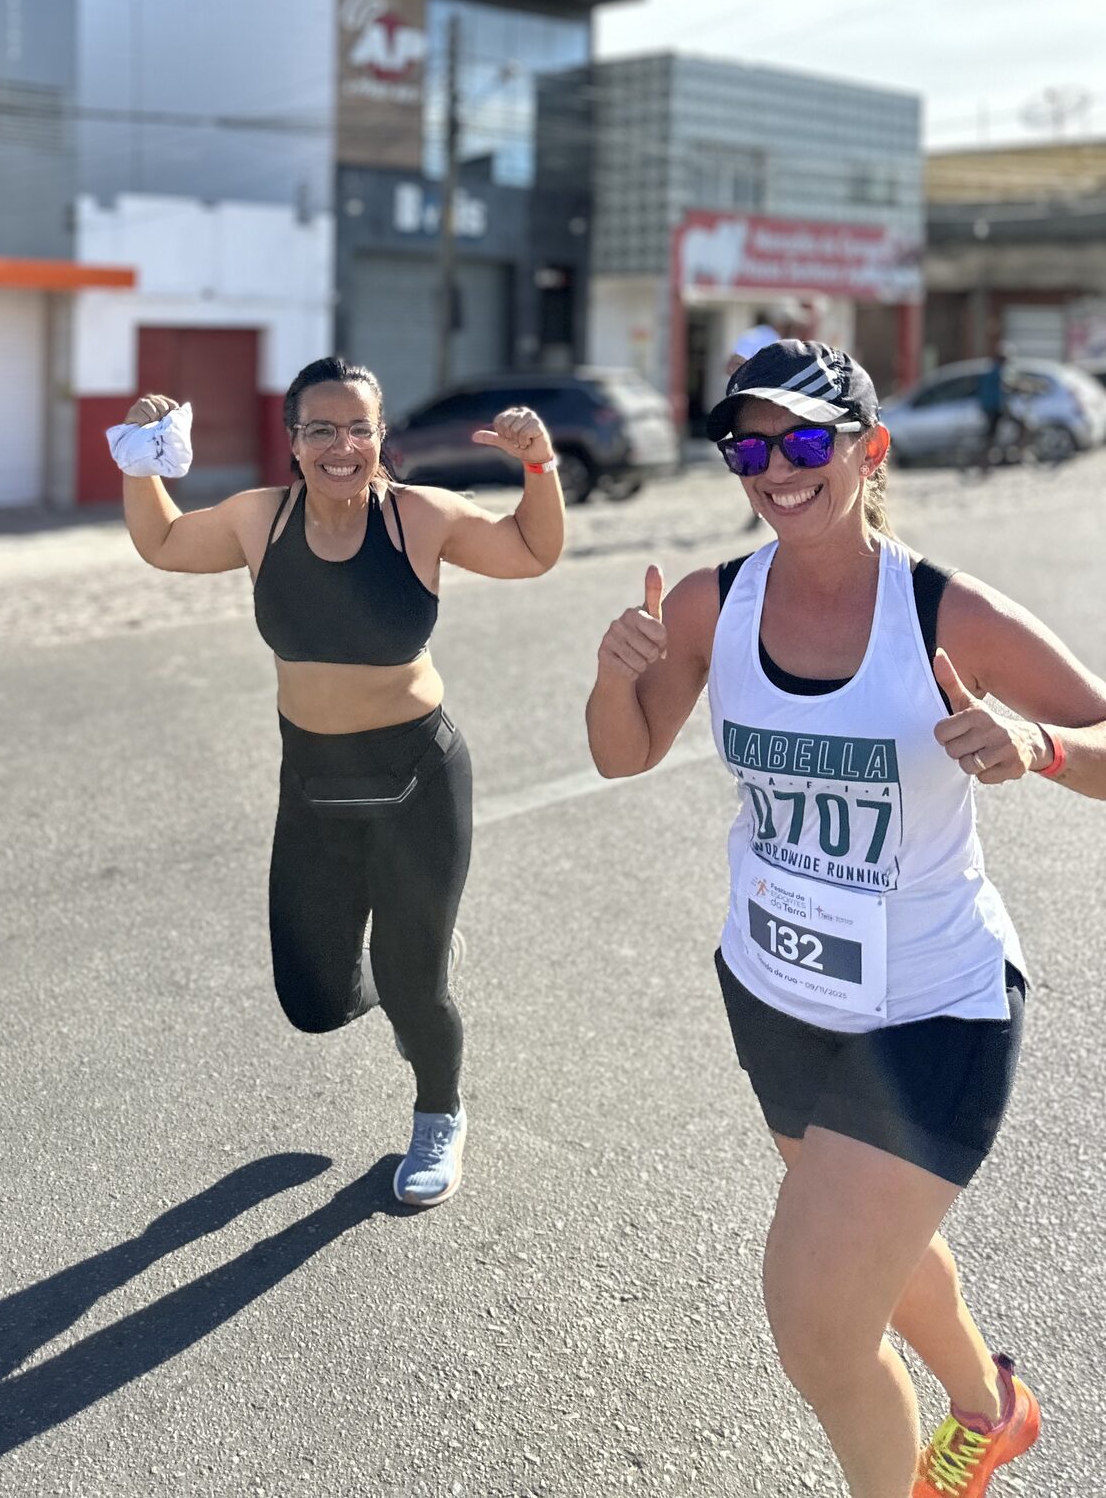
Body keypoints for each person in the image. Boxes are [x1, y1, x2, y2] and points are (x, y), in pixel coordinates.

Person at [586, 338, 1106, 1498]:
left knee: (817, 1322)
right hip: (777, 992)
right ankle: (993, 1406)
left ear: (869, 452)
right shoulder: (720, 601)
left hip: (932, 1007)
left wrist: (1043, 746)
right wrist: (615, 674)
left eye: (807, 439)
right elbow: (622, 755)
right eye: (748, 444)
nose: (775, 467)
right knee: (883, 1251)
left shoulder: (944, 609)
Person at [115, 355, 564, 1208]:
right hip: (313, 784)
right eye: (321, 428)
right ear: (292, 443)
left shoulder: (418, 519)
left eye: (359, 427)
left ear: (381, 437)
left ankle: (439, 1111)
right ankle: (401, 972)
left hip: (416, 779)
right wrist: (142, 455)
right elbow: (165, 542)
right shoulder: (260, 520)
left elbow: (531, 550)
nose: (341, 445)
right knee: (313, 1001)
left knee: (416, 985)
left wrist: (538, 467)